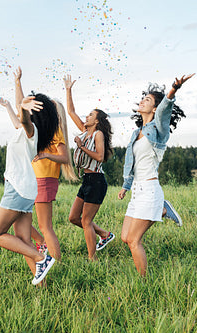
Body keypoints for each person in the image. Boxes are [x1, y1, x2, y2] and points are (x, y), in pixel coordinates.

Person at [118, 74, 195, 276]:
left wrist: (173, 90)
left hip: (150, 190)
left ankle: (144, 283)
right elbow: (132, 162)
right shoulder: (137, 133)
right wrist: (126, 186)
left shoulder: (158, 130)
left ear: (154, 109)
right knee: (125, 237)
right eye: (143, 98)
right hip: (137, 191)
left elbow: (164, 110)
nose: (142, 100)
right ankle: (162, 210)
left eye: (148, 100)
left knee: (134, 241)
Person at [0, 91, 59, 285]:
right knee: (24, 240)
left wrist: (22, 108)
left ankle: (41, 258)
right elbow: (19, 123)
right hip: (26, 190)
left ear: (34, 112)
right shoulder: (28, 133)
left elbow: (25, 122)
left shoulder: (32, 130)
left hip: (18, 189)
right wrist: (10, 106)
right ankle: (42, 283)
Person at [9, 67, 78, 263]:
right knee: (17, 219)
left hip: (45, 180)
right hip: (33, 180)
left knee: (45, 225)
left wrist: (45, 154)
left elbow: (65, 158)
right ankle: (41, 243)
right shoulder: (37, 129)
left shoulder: (55, 132)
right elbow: (21, 108)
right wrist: (17, 83)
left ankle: (56, 262)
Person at [63, 74, 115, 261]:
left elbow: (100, 157)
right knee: (73, 218)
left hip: (97, 181)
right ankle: (104, 234)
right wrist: (68, 89)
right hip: (87, 180)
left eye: (90, 115)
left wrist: (81, 146)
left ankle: (92, 259)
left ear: (97, 121)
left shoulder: (98, 134)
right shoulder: (85, 131)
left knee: (86, 221)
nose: (87, 116)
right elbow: (70, 111)